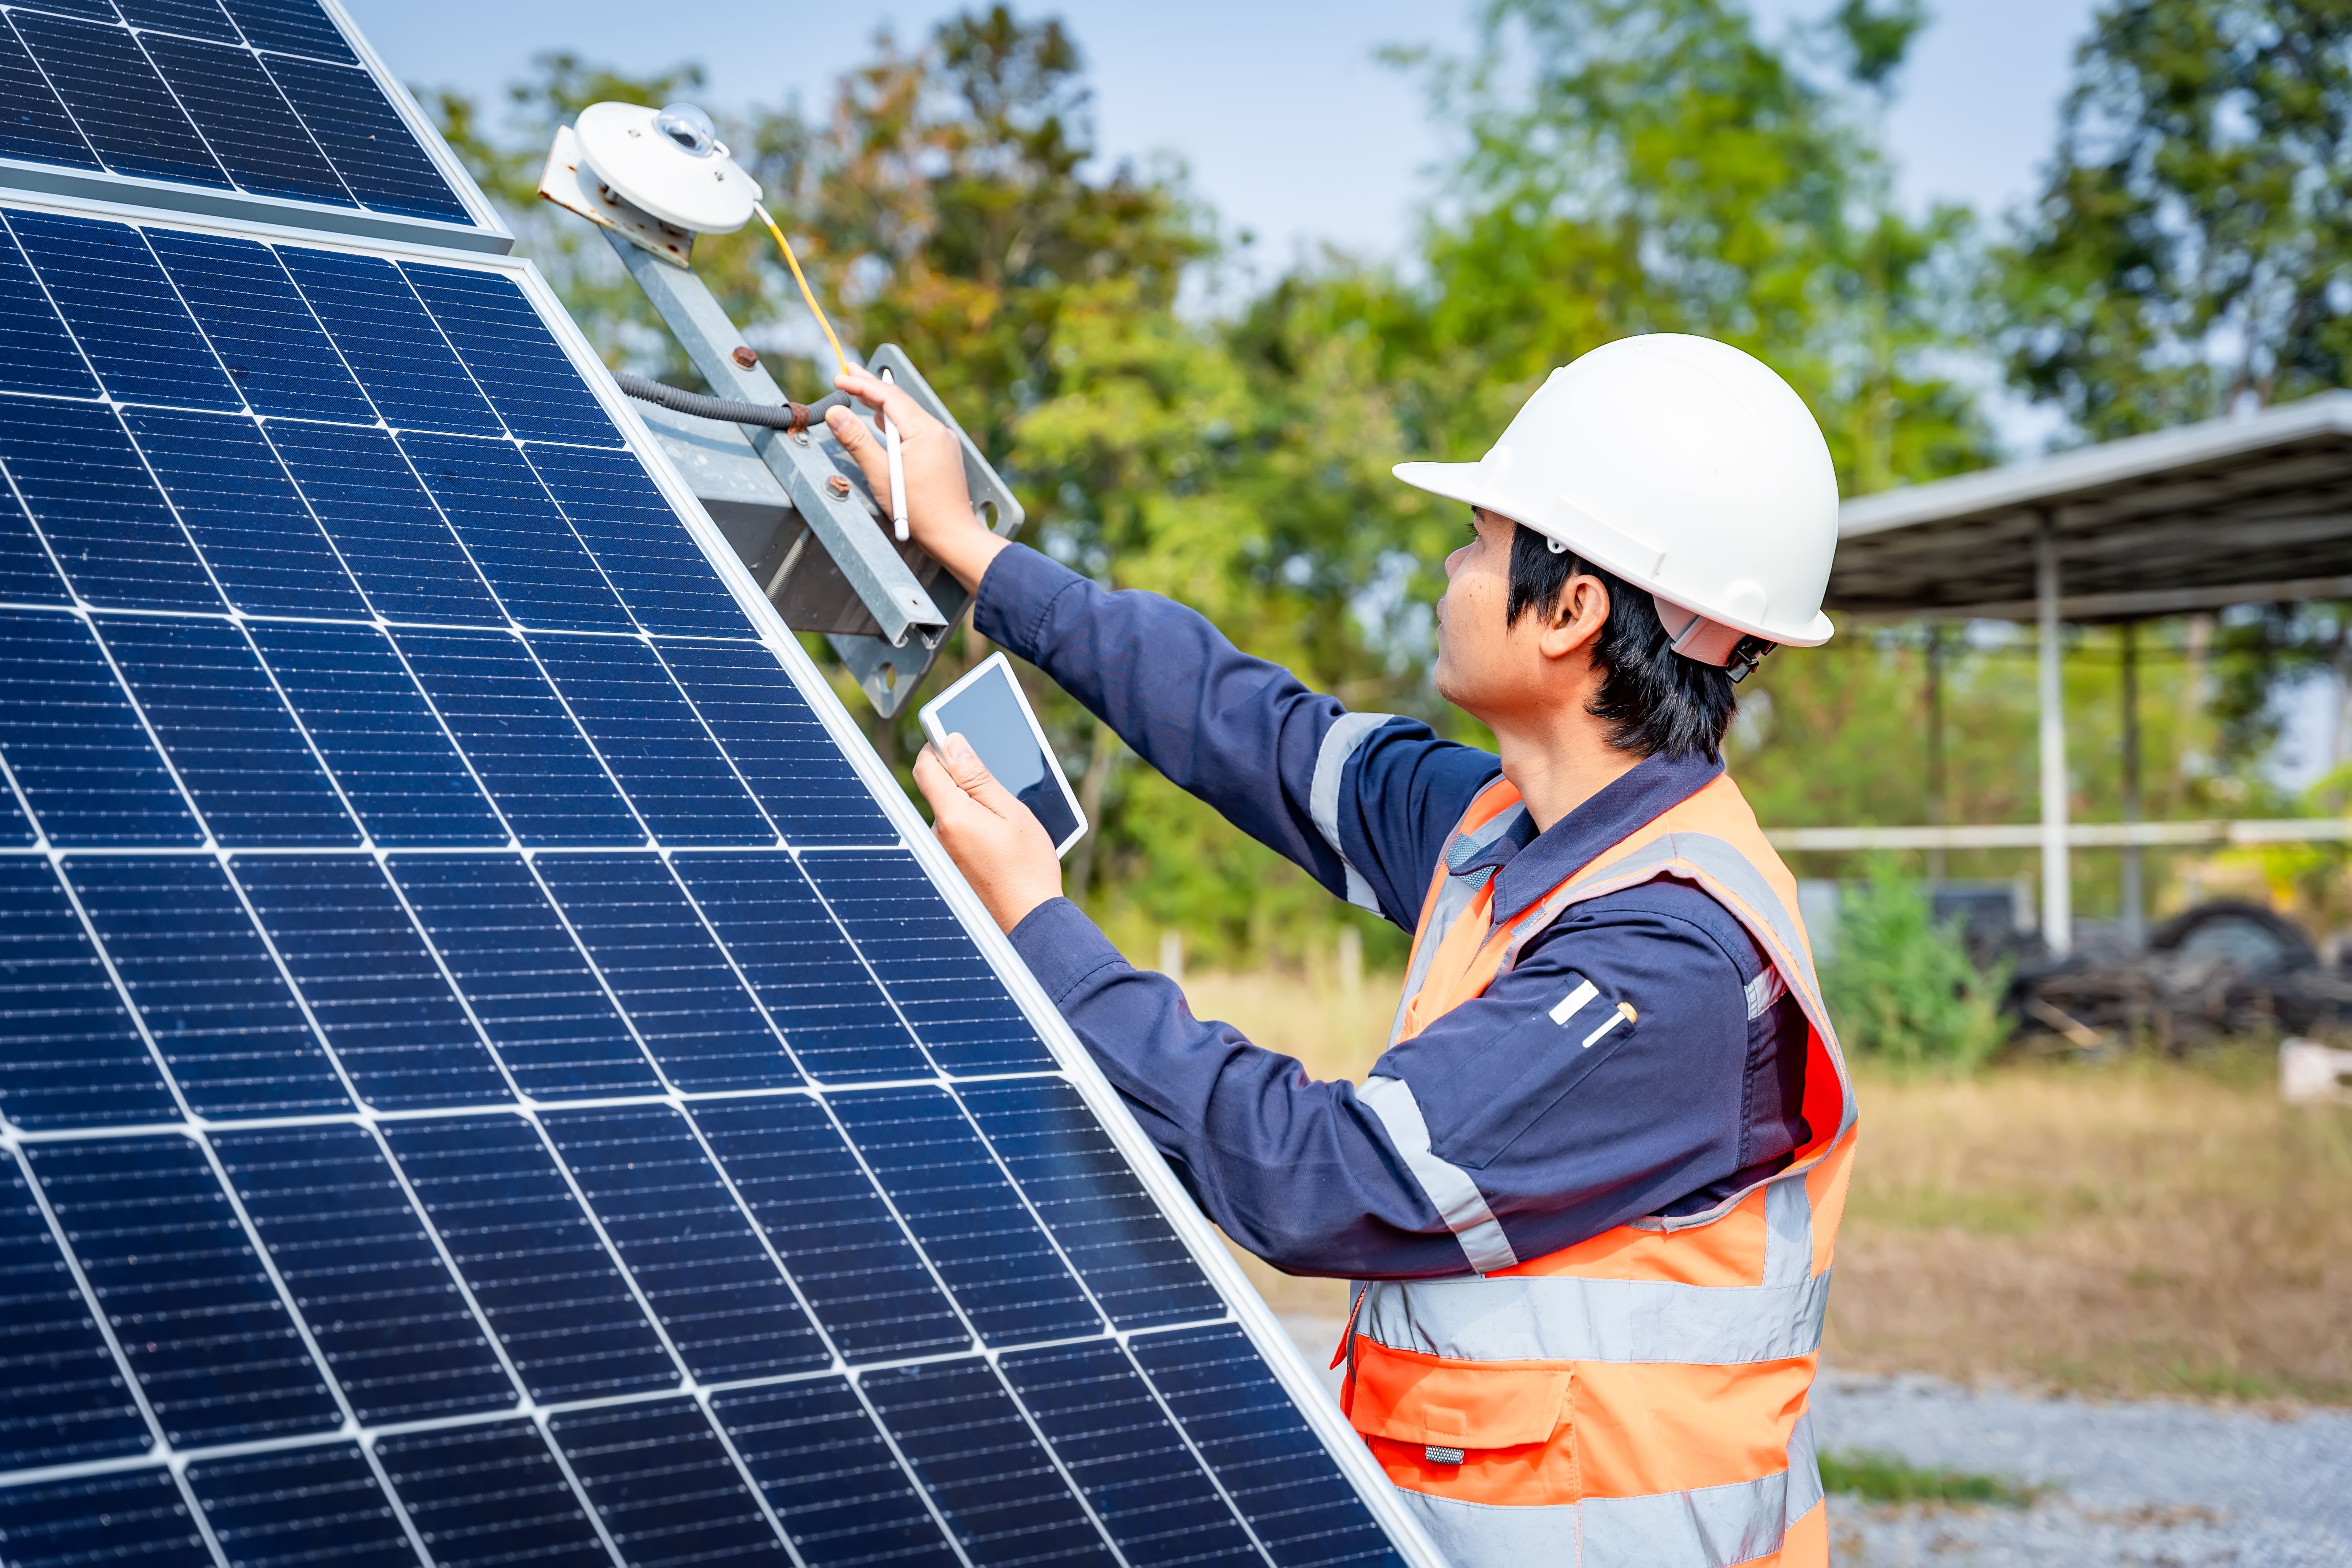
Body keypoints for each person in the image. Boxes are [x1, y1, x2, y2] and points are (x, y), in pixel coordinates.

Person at [823, 334, 1858, 1568]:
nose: (1450, 567)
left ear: (1573, 610)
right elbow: (1247, 725)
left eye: (1479, 540)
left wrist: (1040, 927)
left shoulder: (1665, 961)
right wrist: (970, 546)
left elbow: (1323, 1175)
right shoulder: (1513, 830)